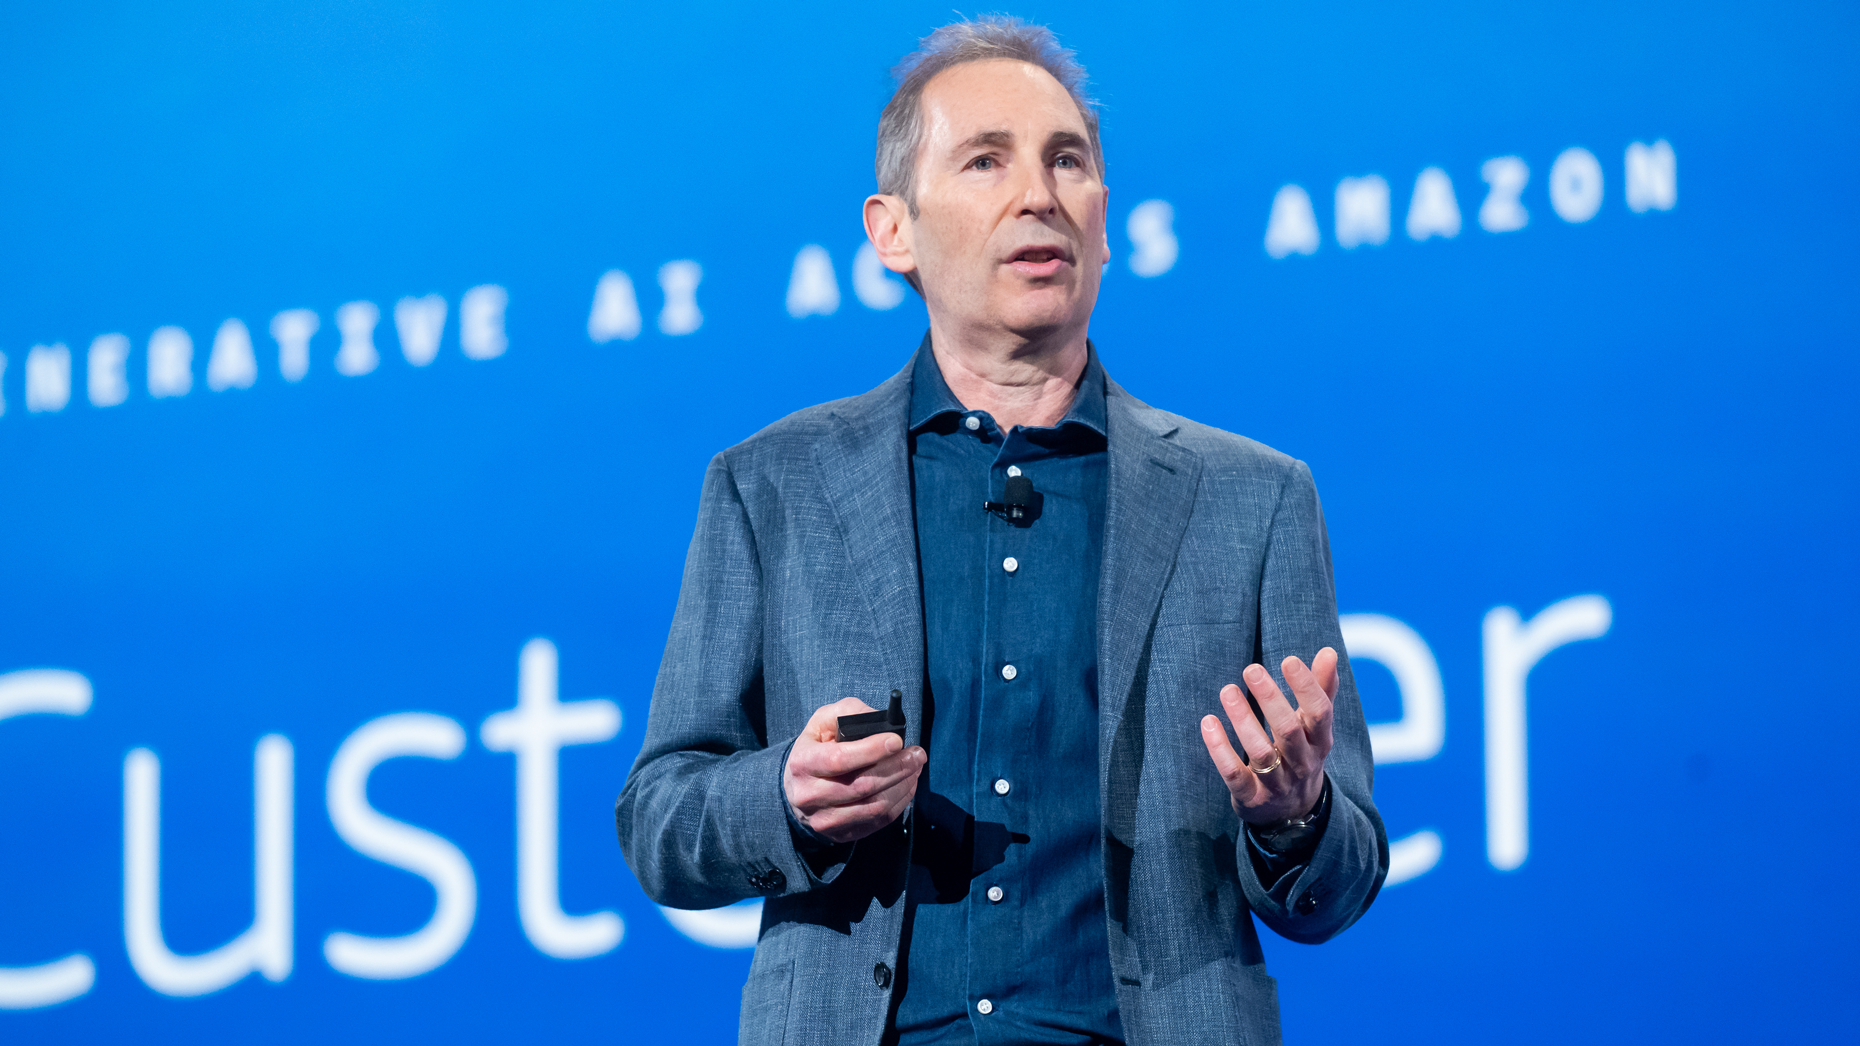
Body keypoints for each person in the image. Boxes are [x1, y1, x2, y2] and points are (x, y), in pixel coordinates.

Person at [616, 16, 1387, 1046]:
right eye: (986, 160)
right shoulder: (772, 486)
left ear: (1103, 225)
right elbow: (660, 819)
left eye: (1067, 162)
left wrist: (1294, 814)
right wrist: (788, 797)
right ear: (893, 231)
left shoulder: (1253, 498)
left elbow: (1340, 883)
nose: (1039, 194)